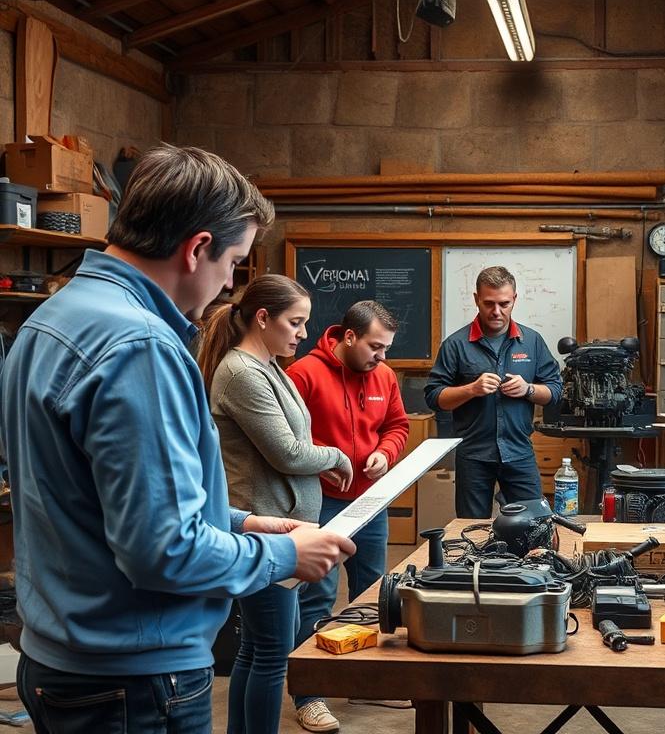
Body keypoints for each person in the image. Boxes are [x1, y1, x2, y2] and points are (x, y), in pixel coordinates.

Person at [0, 145, 355, 733]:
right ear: (196, 249)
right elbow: (163, 551)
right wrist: (287, 555)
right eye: (233, 263)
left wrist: (239, 521)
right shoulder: (140, 346)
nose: (227, 287)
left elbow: (91, 495)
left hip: (63, 660)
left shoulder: (48, 319)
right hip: (134, 678)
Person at [197, 274, 355, 734]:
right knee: (271, 653)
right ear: (263, 318)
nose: (304, 333)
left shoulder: (268, 366)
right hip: (265, 531)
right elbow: (286, 452)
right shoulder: (243, 372)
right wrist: (337, 455)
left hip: (285, 526)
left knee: (257, 648)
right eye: (296, 322)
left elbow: (293, 443)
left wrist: (316, 458)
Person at [286, 300, 409, 732]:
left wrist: (384, 452)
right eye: (376, 346)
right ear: (349, 337)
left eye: (387, 348)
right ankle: (310, 694)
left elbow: (398, 426)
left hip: (371, 501)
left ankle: (364, 681)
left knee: (371, 592)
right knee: (317, 596)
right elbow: (286, 442)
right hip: (320, 502)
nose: (382, 357)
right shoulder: (303, 374)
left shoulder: (385, 377)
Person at [425, 266, 562, 518]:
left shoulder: (531, 341)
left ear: (514, 299)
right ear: (476, 299)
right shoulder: (456, 345)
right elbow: (434, 398)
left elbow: (555, 391)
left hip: (519, 452)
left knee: (536, 524)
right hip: (474, 455)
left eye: (504, 303)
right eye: (489, 303)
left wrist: (528, 389)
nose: (497, 311)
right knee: (471, 530)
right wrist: (471, 389)